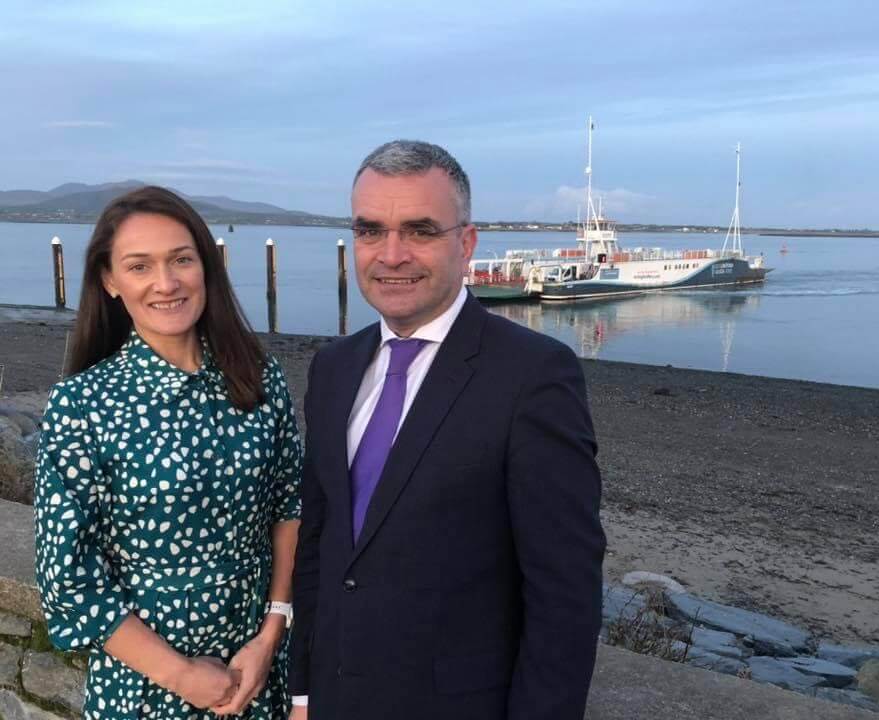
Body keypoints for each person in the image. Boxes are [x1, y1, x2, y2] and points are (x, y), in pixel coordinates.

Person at [290, 141, 605, 719]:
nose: (391, 254)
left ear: (466, 243)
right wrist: (304, 690)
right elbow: (321, 542)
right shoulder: (333, 368)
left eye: (419, 230)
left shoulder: (533, 376)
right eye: (370, 230)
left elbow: (565, 595)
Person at [34, 186, 302, 719]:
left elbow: (289, 509)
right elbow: (66, 576)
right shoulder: (84, 403)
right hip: (147, 691)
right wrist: (180, 675)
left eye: (181, 259)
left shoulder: (259, 377)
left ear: (206, 264)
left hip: (257, 676)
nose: (166, 283)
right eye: (139, 266)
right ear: (109, 281)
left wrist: (270, 636)